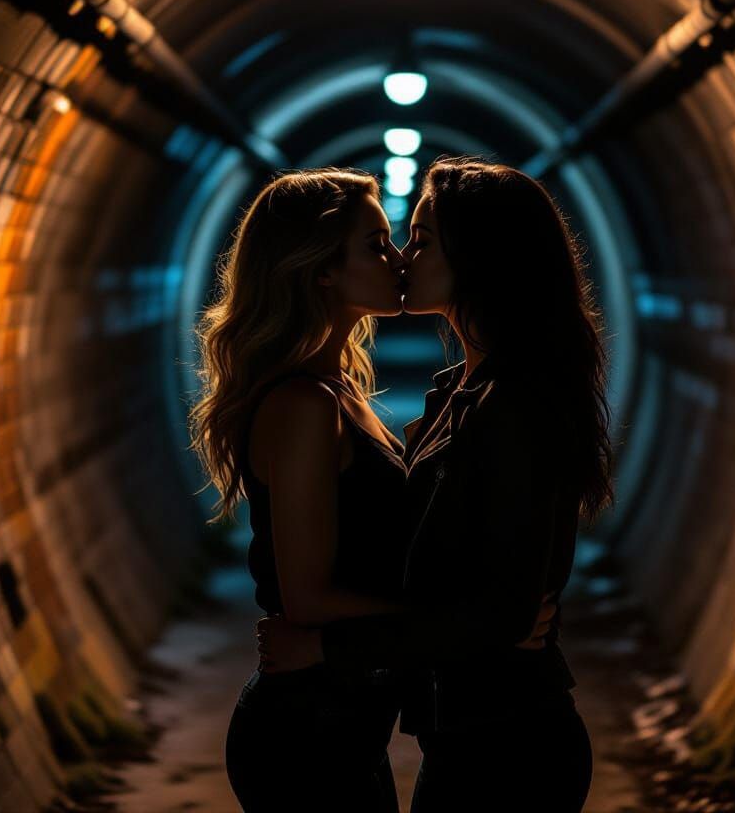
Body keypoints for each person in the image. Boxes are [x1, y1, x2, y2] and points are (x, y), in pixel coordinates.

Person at [189, 168, 554, 811]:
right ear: (322, 268)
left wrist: (485, 616)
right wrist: (484, 623)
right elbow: (307, 597)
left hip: (349, 726)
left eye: (405, 240)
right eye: (377, 243)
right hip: (304, 732)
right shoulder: (304, 405)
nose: (397, 259)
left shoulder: (340, 393)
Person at [258, 156, 614, 811]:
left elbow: (498, 609)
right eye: (391, 240)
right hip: (459, 735)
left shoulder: (515, 404)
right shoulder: (456, 394)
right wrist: (472, 618)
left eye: (419, 240)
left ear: (477, 260)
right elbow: (451, 584)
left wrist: (327, 646)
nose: (403, 256)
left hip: (511, 744)